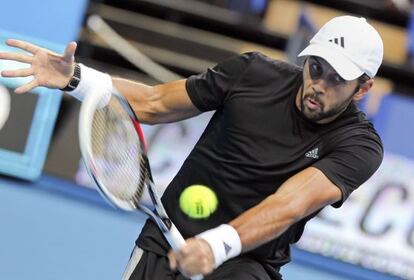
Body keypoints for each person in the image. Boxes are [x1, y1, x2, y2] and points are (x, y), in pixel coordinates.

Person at [0, 15, 384, 279]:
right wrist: (77, 79)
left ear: (362, 88)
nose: (319, 84)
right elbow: (154, 103)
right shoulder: (253, 72)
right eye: (316, 68)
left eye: (338, 79)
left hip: (245, 264)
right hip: (167, 236)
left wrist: (217, 246)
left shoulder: (359, 144)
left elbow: (289, 205)